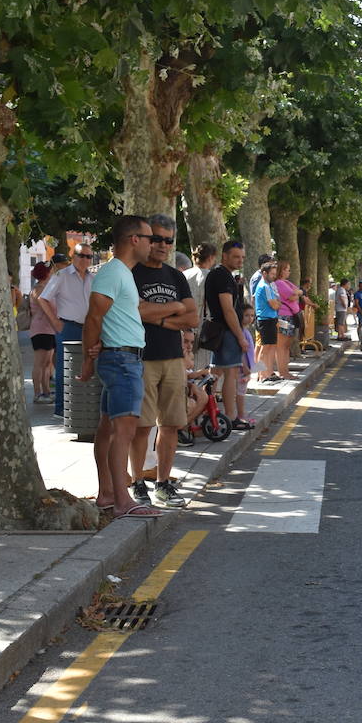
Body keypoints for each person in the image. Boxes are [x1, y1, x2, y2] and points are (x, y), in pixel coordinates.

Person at [79, 215, 158, 518]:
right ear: (134, 239)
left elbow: (102, 318)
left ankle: (107, 495)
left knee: (108, 429)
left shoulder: (120, 272)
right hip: (122, 361)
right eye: (150, 238)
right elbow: (93, 317)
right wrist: (88, 359)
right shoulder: (114, 272)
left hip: (121, 359)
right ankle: (123, 500)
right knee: (123, 430)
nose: (155, 244)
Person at [127, 214, 197, 509]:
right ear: (144, 239)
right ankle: (137, 481)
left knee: (170, 425)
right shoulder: (131, 273)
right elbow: (137, 312)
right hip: (142, 359)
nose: (163, 245)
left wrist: (161, 318)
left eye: (168, 240)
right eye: (156, 238)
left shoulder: (176, 276)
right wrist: (175, 311)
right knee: (141, 426)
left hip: (173, 359)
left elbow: (192, 317)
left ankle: (164, 483)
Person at [39, 240, 98, 416]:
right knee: (65, 368)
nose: (85, 259)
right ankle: (62, 408)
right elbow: (43, 299)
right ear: (74, 256)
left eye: (89, 256)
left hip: (89, 328)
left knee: (88, 366)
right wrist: (55, 322)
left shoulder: (93, 278)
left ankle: (83, 406)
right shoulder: (61, 275)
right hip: (69, 327)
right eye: (81, 255)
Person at [205, 240, 252, 431]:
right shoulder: (222, 276)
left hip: (223, 331)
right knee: (230, 374)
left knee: (216, 374)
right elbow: (228, 310)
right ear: (224, 256)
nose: (240, 260)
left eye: (242, 257)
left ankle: (211, 413)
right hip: (225, 331)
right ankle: (231, 417)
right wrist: (240, 336)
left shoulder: (224, 275)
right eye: (236, 257)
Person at [184, 242, 216, 372]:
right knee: (203, 365)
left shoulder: (184, 275)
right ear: (210, 258)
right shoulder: (212, 277)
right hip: (204, 325)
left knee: (187, 363)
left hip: (184, 323)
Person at [28, 261, 57, 403]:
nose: (52, 273)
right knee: (40, 363)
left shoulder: (46, 288)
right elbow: (49, 308)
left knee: (47, 363)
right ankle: (37, 393)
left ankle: (46, 392)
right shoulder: (39, 289)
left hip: (50, 329)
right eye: (51, 271)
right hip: (41, 330)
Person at [253, 261, 282, 381]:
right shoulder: (264, 286)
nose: (274, 276)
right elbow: (275, 304)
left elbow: (277, 303)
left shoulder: (268, 285)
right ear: (264, 273)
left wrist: (277, 303)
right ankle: (261, 374)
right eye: (272, 274)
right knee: (264, 348)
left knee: (270, 347)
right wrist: (277, 304)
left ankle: (268, 372)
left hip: (270, 319)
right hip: (265, 320)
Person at [275, 260, 300, 366]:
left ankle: (285, 369)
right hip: (283, 316)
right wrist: (296, 294)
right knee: (282, 345)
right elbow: (292, 295)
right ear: (281, 270)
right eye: (287, 270)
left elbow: (298, 292)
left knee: (287, 345)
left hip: (289, 315)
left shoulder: (287, 282)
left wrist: (296, 294)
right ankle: (282, 370)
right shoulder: (279, 283)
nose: (289, 272)